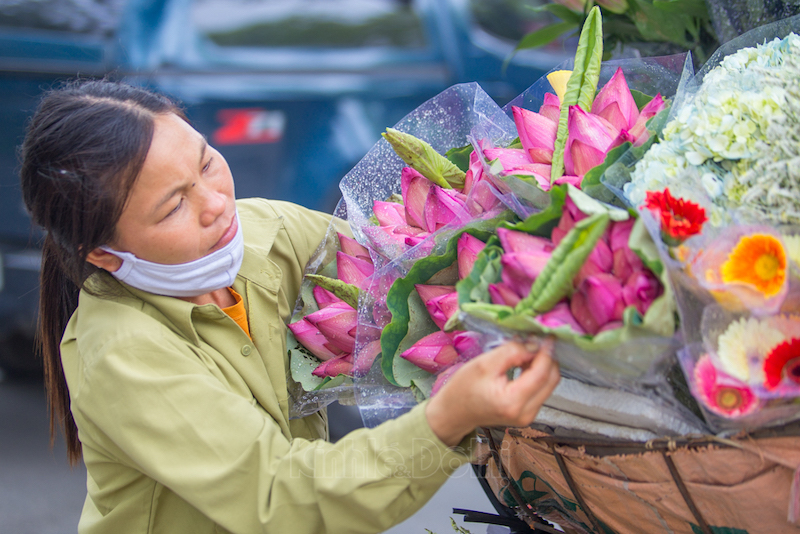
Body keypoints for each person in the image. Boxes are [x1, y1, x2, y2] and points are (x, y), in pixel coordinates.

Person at [20, 79, 560, 534]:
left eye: (207, 164)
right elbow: (281, 496)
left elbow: (409, 266)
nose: (216, 205)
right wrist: (447, 420)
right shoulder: (123, 354)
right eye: (173, 207)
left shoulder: (268, 234)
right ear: (104, 254)